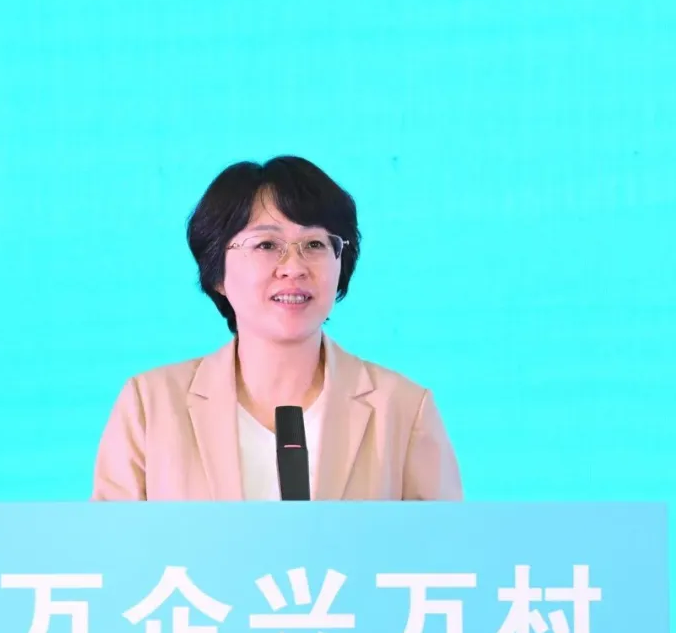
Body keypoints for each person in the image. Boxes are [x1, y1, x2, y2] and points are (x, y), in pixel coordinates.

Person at [92, 155, 462, 501]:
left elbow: (447, 545)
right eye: (267, 244)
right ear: (217, 272)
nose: (294, 267)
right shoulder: (149, 406)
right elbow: (111, 545)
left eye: (314, 244)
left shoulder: (403, 409)